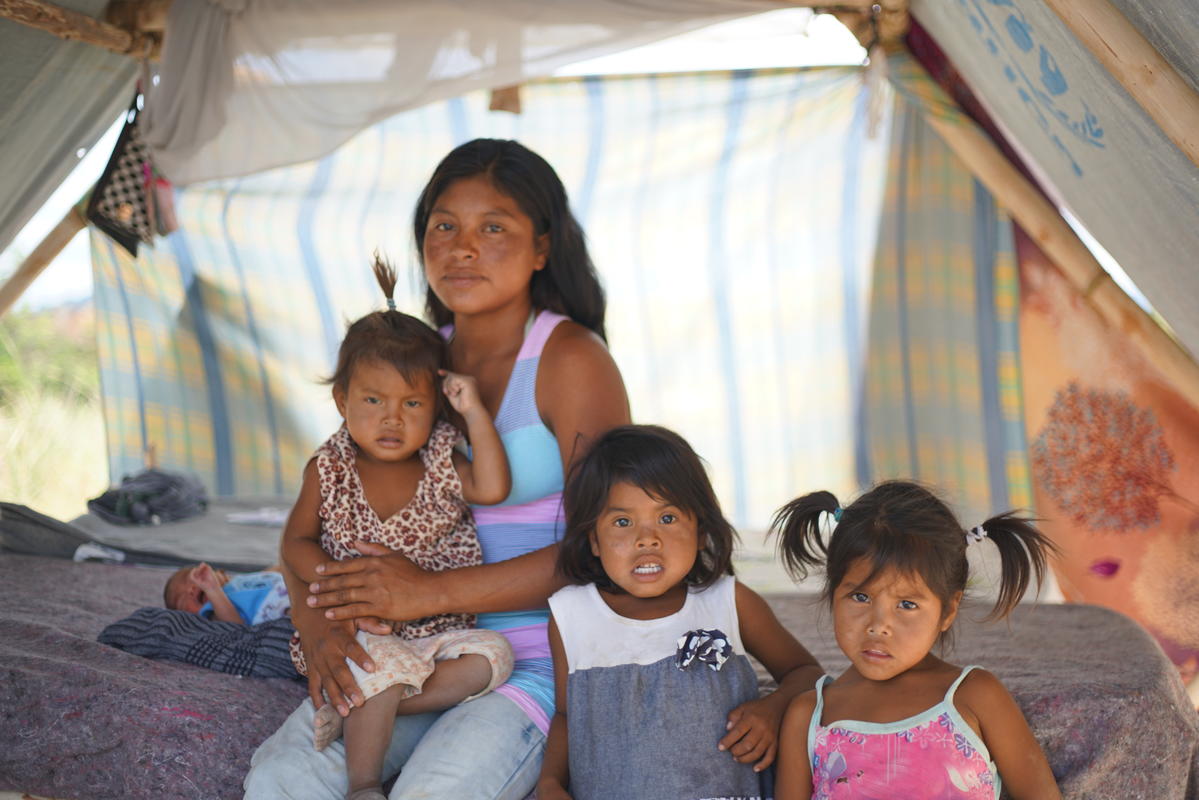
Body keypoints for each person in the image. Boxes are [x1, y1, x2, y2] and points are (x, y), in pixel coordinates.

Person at [245, 138, 630, 799]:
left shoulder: (569, 360)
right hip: (401, 648)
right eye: (444, 226)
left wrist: (427, 592)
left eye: (493, 228)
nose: (462, 248)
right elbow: (321, 514)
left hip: (536, 659)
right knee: (282, 780)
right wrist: (320, 629)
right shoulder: (408, 360)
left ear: (541, 247)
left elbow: (607, 546)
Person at [269, 255, 517, 800]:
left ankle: (367, 703)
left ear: (435, 407)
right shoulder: (329, 467)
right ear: (342, 400)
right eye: (373, 400)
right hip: (366, 632)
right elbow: (295, 541)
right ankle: (363, 785)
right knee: (375, 662)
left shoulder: (441, 459)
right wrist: (338, 583)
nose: (392, 418)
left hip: (439, 633)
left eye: (412, 403)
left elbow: (494, 486)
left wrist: (475, 411)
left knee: (495, 657)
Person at [537, 425, 824, 800]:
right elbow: (567, 715)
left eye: (667, 518)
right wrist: (549, 782)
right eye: (622, 522)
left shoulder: (728, 602)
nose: (647, 539)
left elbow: (807, 674)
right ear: (594, 539)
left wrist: (774, 708)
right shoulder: (572, 616)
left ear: (701, 531)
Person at [771, 481, 1062, 800]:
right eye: (860, 597)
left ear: (948, 610)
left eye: (907, 604)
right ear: (833, 595)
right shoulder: (809, 717)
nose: (878, 626)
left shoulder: (975, 695)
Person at [163, 562, 289, 625]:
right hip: (277, 609)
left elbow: (271, 574)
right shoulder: (215, 610)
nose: (191, 589)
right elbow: (234, 624)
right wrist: (212, 589)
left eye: (196, 576)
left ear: (221, 574)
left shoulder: (238, 582)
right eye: (182, 600)